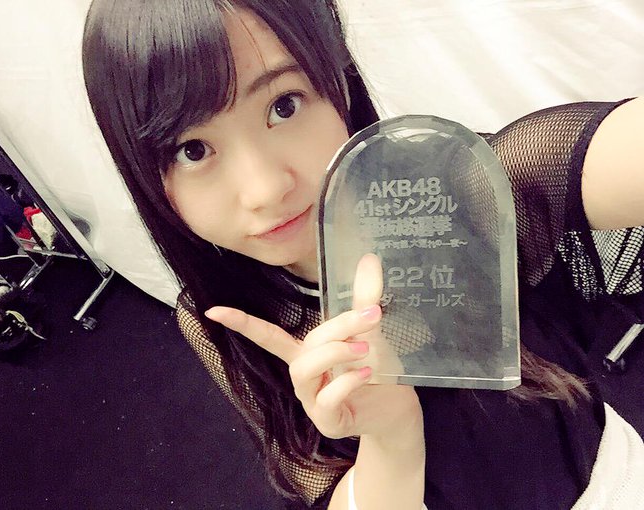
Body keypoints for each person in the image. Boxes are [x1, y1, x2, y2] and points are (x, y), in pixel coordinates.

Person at [81, 1, 644, 508]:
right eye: (193, 149)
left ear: (339, 84)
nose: (265, 189)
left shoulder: (470, 196)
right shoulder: (222, 315)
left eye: (283, 105)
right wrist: (391, 440)